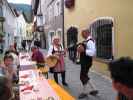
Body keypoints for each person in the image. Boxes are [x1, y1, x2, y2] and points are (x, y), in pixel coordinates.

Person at [77, 29, 98, 99]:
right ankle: (94, 89)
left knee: (82, 76)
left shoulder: (90, 41)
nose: (82, 35)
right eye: (81, 34)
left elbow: (93, 52)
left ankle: (84, 92)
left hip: (87, 62)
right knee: (84, 76)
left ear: (87, 33)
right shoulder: (85, 41)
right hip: (84, 61)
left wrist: (84, 50)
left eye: (83, 33)